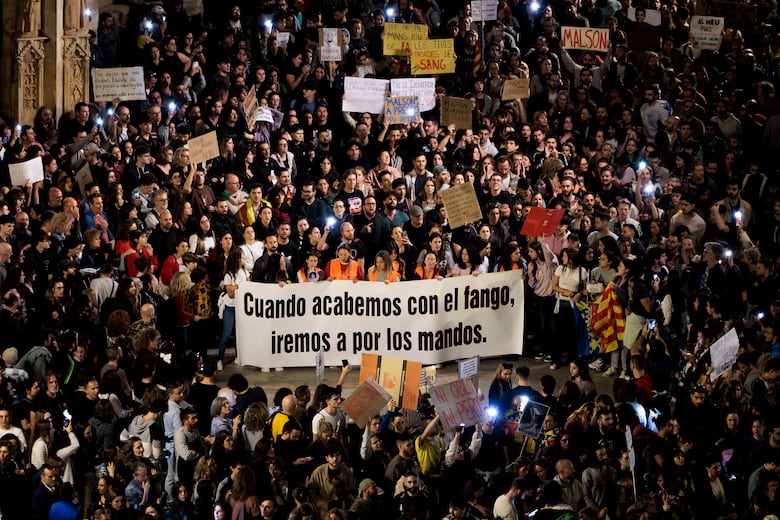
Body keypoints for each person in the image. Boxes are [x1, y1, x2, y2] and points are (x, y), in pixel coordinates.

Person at [217, 249, 247, 371]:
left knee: (240, 334)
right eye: (242, 258)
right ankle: (219, 359)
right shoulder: (228, 275)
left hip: (242, 308)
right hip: (230, 307)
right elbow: (230, 293)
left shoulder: (244, 273)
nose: (244, 260)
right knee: (226, 334)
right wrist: (240, 286)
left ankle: (238, 356)